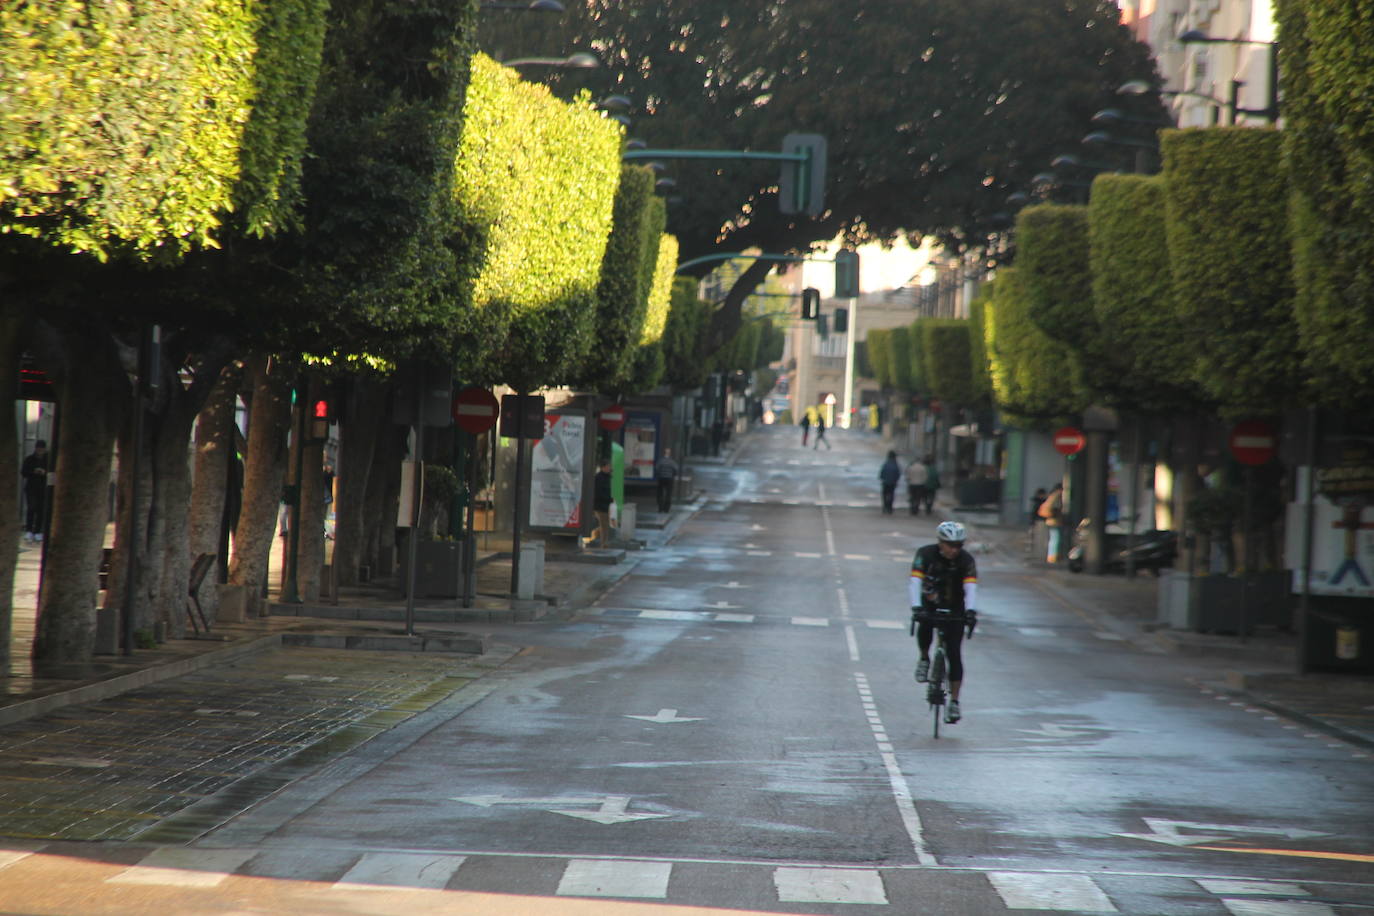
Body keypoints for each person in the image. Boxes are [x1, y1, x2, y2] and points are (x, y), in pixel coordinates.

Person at [910, 520, 979, 724]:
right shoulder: (925, 554)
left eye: (959, 545)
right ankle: (924, 658)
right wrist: (916, 607)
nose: (954, 550)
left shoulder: (966, 560)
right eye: (950, 545)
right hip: (930, 604)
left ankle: (955, 702)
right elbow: (915, 582)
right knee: (925, 626)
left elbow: (971, 588)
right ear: (940, 543)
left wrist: (971, 612)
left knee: (954, 654)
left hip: (955, 607)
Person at [21, 440, 48, 542]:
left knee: (41, 510)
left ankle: (37, 531)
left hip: (43, 488)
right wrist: (34, 471)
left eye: (42, 449)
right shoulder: (29, 459)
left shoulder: (48, 460)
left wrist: (44, 472)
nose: (40, 450)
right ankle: (29, 531)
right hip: (31, 488)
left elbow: (52, 472)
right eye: (38, 448)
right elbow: (24, 472)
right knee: (31, 508)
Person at [1039, 482, 1064, 563]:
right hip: (1054, 521)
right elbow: (1055, 508)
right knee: (1055, 539)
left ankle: (1052, 556)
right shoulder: (1057, 496)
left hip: (1051, 521)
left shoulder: (1052, 495)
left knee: (1054, 538)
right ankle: (1052, 557)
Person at [591, 459, 614, 548]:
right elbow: (599, 492)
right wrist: (608, 499)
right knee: (604, 525)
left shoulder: (607, 476)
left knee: (605, 524)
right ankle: (603, 543)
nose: (609, 468)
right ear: (603, 467)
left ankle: (601, 540)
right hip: (600, 504)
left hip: (605, 504)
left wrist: (609, 499)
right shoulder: (599, 478)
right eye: (608, 466)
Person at [654, 448, 679, 514]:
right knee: (668, 494)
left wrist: (659, 474)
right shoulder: (672, 462)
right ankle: (666, 509)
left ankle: (660, 508)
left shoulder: (661, 461)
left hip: (661, 478)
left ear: (664, 453)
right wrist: (673, 475)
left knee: (660, 493)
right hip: (669, 479)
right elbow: (676, 470)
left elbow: (657, 469)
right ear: (669, 454)